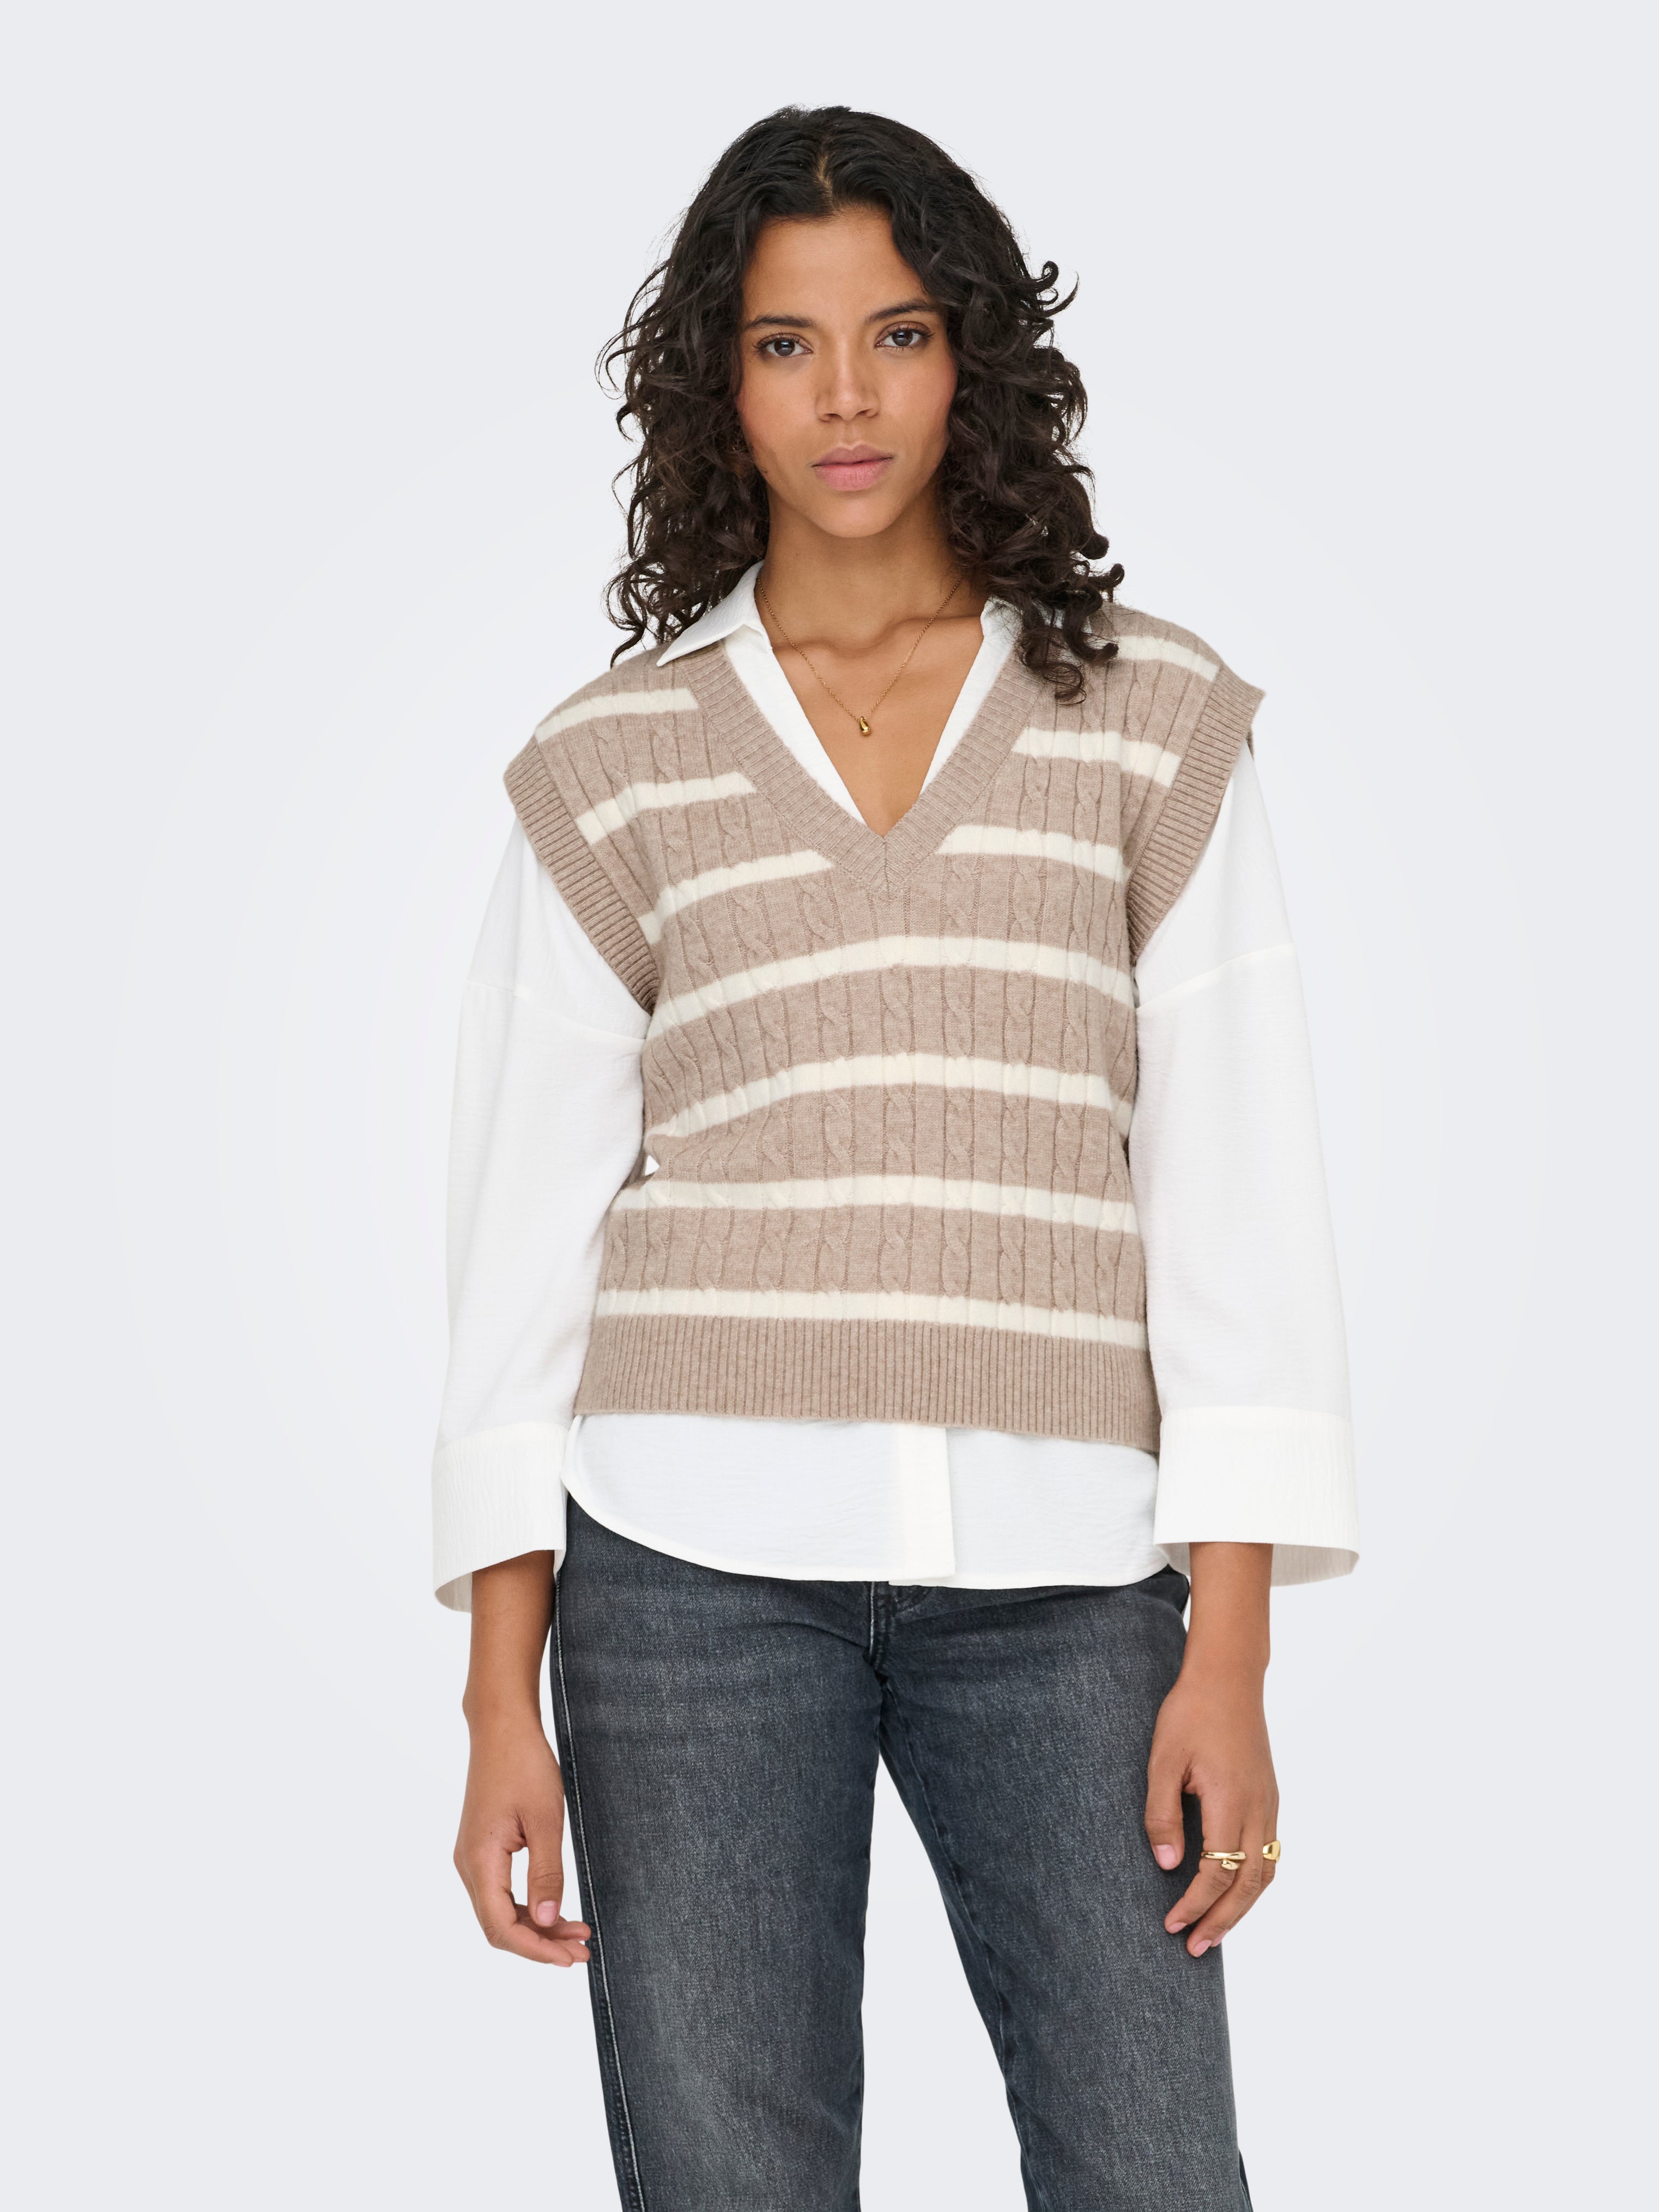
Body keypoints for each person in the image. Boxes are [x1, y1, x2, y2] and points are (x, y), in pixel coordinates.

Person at [433, 105, 1358, 2212]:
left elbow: (1236, 1200)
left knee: (1150, 2167)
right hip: (683, 1576)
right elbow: (519, 1249)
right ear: (719, 382)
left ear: (974, 359)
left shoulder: (1149, 723)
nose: (844, 397)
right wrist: (499, 1695)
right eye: (784, 344)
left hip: (1069, 1585)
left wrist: (1230, 1646)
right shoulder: (612, 759)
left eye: (899, 333)